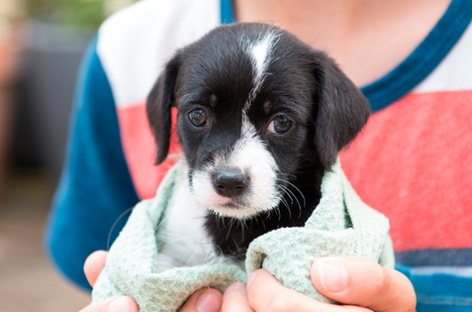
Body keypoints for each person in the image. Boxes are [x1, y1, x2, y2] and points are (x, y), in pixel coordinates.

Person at [44, 0, 472, 311]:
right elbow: (109, 277)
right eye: (199, 115)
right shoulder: (125, 52)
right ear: (166, 115)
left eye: (280, 124)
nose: (230, 169)